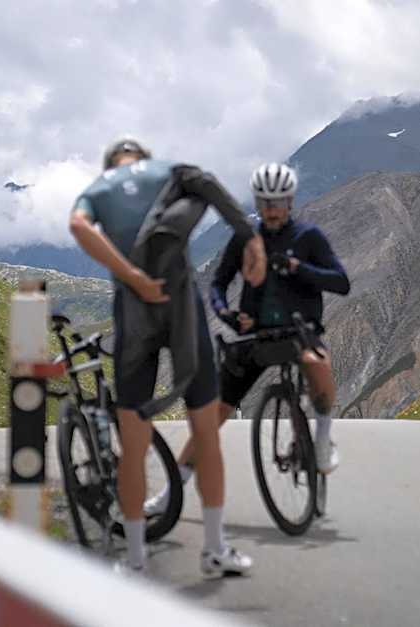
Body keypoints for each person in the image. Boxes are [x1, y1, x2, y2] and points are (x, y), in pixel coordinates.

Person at [69, 137, 265, 575]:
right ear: (143, 159)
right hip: (182, 309)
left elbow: (79, 228)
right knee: (206, 434)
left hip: (133, 310)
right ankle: (214, 550)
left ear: (111, 163)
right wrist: (250, 239)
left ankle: (136, 561)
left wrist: (133, 277)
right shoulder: (169, 172)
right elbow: (210, 186)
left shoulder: (99, 189)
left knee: (133, 444)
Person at [146, 162, 350, 517]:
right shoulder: (244, 239)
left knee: (318, 364)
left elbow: (341, 282)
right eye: (265, 202)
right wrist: (226, 314)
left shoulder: (308, 237)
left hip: (300, 330)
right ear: (257, 201)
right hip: (254, 336)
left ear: (290, 201)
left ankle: (320, 440)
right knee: (211, 418)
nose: (271, 209)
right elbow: (219, 284)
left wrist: (299, 268)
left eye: (279, 202)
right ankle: (169, 495)